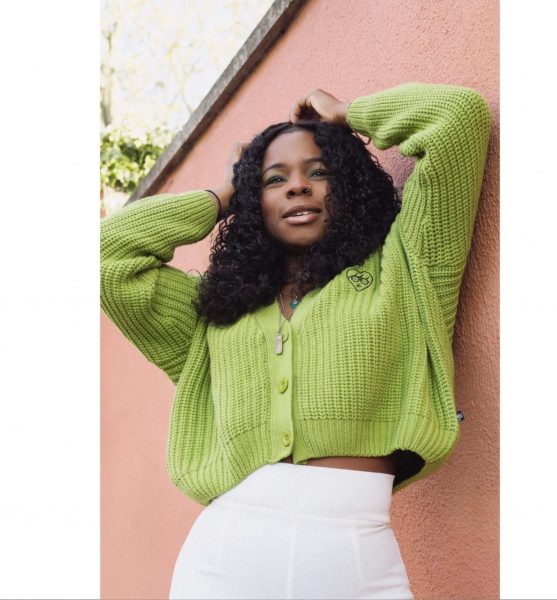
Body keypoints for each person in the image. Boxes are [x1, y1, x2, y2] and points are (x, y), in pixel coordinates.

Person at [100, 82, 492, 599]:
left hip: (357, 561)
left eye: (319, 171)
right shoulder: (216, 315)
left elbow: (457, 120)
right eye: (274, 179)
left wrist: (345, 113)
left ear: (348, 184)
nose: (298, 187)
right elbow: (109, 257)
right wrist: (223, 194)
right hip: (221, 564)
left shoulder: (407, 267)